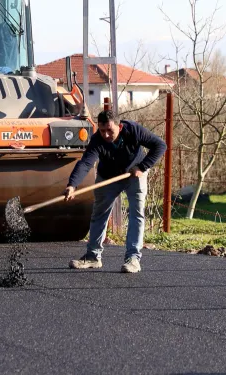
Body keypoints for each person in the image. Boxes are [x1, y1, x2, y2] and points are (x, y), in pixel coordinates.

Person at [64, 110, 166, 273]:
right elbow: (85, 163)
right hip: (108, 177)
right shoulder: (97, 140)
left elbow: (160, 145)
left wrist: (142, 166)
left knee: (136, 214)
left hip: (135, 174)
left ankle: (133, 259)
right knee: (99, 214)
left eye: (109, 130)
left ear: (119, 126)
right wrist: (72, 185)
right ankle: (92, 256)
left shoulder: (133, 130)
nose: (105, 134)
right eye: (102, 130)